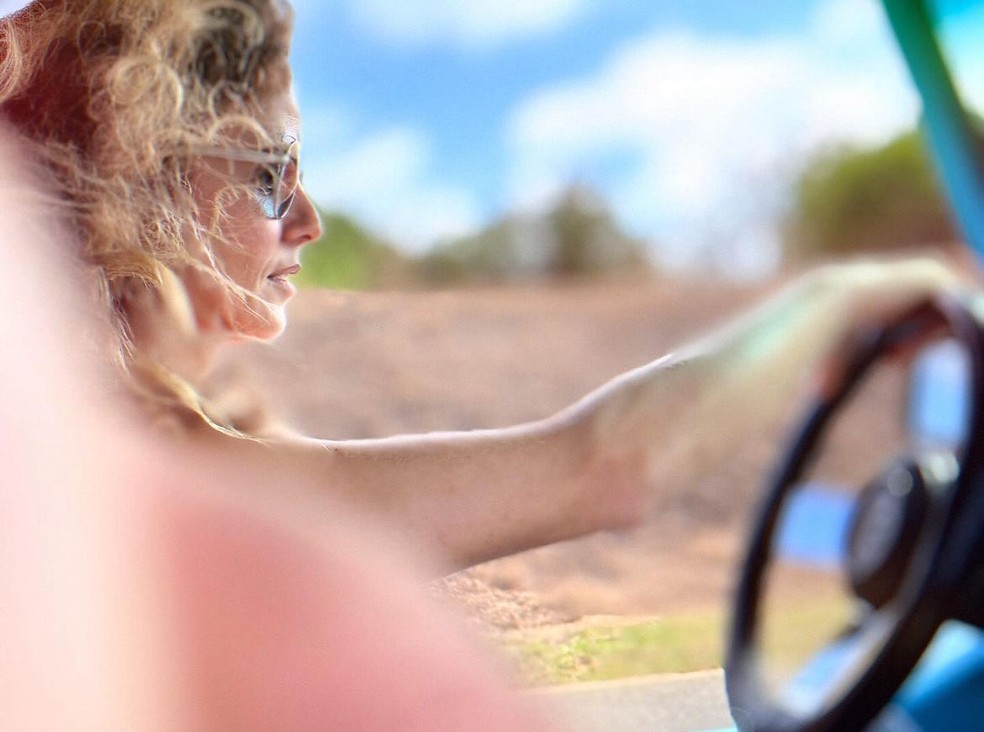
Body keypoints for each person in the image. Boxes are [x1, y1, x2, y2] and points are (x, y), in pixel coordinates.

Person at [0, 0, 966, 580]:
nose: (310, 223)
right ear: (138, 182)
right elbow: (600, 465)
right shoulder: (120, 464)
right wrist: (834, 300)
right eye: (270, 172)